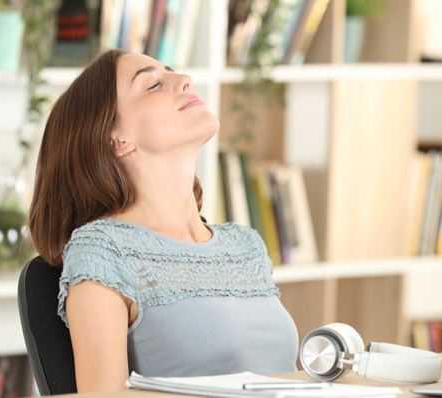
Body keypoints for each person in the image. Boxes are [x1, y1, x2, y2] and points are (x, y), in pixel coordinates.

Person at [27, 49, 298, 393]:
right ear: (116, 139)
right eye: (152, 85)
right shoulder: (103, 250)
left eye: (173, 73)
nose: (184, 80)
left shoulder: (245, 247)